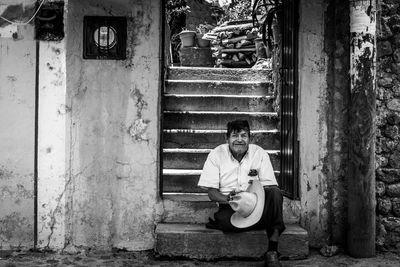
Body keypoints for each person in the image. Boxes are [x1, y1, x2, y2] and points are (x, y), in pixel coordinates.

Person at [197, 119, 285, 267]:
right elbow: (212, 193)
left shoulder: (260, 154)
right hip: (230, 205)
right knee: (226, 223)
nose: (239, 140)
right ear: (227, 139)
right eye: (235, 136)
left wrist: (251, 200)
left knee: (276, 193)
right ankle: (261, 222)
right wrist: (230, 198)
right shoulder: (216, 155)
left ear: (250, 138)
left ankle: (272, 250)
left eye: (244, 136)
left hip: (257, 203)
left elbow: (270, 186)